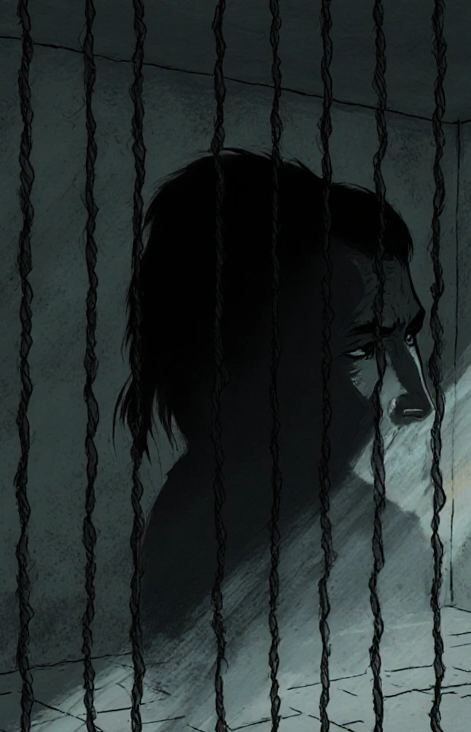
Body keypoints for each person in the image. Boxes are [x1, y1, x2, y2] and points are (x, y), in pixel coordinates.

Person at [114, 148, 433, 640]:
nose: (416, 396)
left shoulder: (370, 532)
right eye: (362, 345)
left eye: (405, 337)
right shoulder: (206, 567)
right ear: (231, 357)